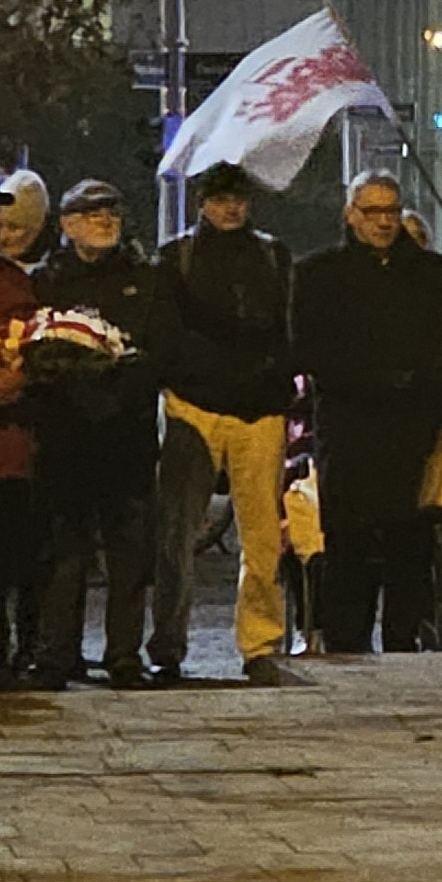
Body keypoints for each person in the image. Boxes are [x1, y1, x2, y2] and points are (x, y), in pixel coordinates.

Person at [292, 173, 442, 655]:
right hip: (348, 428)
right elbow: (309, 347)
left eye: (391, 211)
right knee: (348, 542)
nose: (384, 222)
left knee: (410, 544)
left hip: (411, 428)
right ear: (351, 214)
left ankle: (403, 638)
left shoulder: (432, 274)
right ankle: (346, 640)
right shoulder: (319, 274)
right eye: (373, 212)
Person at [150, 162, 295, 687]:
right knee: (176, 532)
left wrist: (274, 376)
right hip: (198, 404)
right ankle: (168, 641)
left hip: (257, 406)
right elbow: (167, 334)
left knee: (260, 536)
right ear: (202, 203)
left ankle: (259, 644)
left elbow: (286, 327)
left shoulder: (272, 256)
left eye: (237, 197)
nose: (230, 207)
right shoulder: (178, 259)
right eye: (219, 197)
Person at [27, 181, 171, 690]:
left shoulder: (144, 280)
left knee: (130, 555)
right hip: (66, 437)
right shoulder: (47, 280)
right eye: (91, 214)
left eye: (111, 212)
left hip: (125, 436)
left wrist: (115, 390)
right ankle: (56, 655)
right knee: (64, 554)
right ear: (66, 225)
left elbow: (157, 351)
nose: (105, 221)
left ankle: (124, 655)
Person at [0, 180, 39, 685]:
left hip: (15, 450)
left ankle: (25, 651)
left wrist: (19, 376)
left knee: (22, 559)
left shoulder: (20, 282)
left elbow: (36, 340)